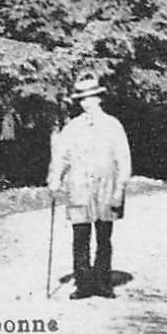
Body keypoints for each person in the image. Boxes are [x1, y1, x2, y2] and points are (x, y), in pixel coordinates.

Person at [46, 73, 132, 299]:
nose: (86, 103)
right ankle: (83, 285)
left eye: (90, 98)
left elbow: (123, 160)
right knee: (80, 237)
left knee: (104, 237)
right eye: (82, 99)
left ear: (99, 98)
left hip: (106, 188)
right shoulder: (72, 128)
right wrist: (54, 181)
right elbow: (61, 157)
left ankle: (103, 284)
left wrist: (119, 190)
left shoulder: (113, 126)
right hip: (79, 189)